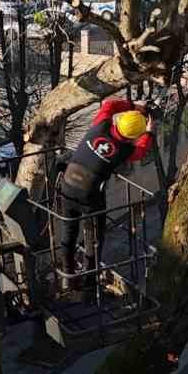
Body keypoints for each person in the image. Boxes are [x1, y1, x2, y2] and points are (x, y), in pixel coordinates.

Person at [57, 98, 153, 287]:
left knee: (69, 230)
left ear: (119, 121)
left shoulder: (100, 125)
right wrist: (149, 131)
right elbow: (142, 150)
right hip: (89, 196)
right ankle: (90, 281)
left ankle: (67, 276)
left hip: (67, 185)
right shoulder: (125, 150)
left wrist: (134, 106)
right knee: (93, 237)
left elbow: (109, 104)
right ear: (132, 136)